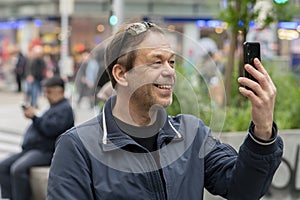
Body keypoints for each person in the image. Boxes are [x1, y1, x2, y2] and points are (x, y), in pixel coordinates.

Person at [47, 22, 283, 200]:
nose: (170, 72)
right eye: (156, 62)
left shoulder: (192, 134)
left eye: (172, 62)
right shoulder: (78, 147)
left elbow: (243, 190)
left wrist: (262, 129)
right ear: (121, 74)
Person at [0, 76, 74, 200]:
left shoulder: (65, 109)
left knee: (18, 169)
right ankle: (9, 197)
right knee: (3, 165)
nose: (46, 95)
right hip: (32, 149)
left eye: (49, 92)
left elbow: (50, 129)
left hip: (46, 151)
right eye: (45, 92)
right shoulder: (54, 107)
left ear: (60, 91)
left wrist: (35, 117)